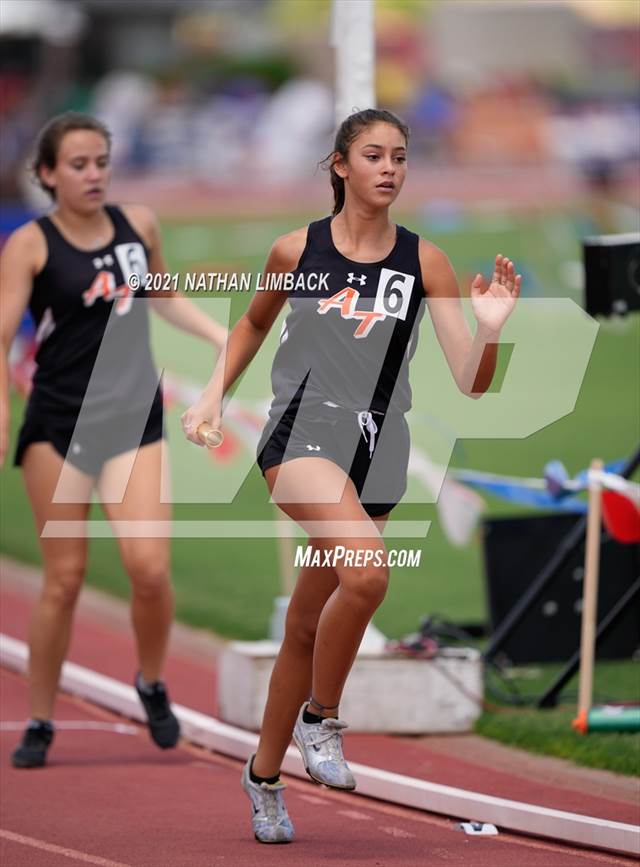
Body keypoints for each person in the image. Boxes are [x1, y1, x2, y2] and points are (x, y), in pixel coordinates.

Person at [181, 108, 521, 843]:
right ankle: (322, 720)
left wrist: (490, 332)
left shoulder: (425, 260)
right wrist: (214, 392)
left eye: (400, 155)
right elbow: (251, 325)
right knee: (366, 575)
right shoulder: (294, 249)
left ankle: (264, 775)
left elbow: (471, 380)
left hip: (379, 444)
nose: (390, 168)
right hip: (303, 434)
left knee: (307, 622)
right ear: (340, 166)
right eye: (374, 155)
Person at [0, 112, 227, 768]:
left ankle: (151, 682)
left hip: (133, 416)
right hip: (58, 425)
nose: (93, 173)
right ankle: (40, 718)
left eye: (100, 161)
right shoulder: (30, 245)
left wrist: (220, 337)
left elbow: (163, 295)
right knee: (63, 579)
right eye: (77, 164)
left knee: (149, 569)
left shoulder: (140, 226)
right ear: (47, 174)